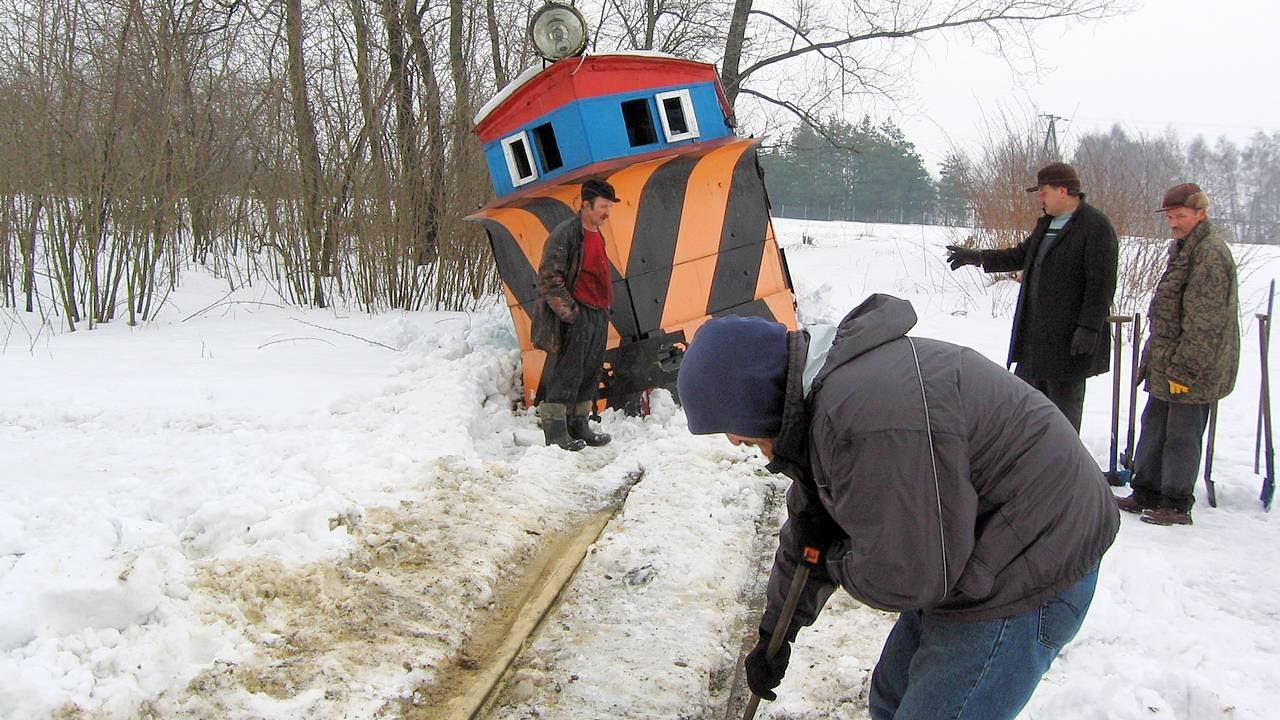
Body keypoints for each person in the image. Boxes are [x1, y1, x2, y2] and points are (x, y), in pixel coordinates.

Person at [677, 295, 1119, 719]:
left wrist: (832, 558)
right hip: (977, 538)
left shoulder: (864, 420)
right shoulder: (821, 401)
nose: (734, 440)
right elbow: (808, 530)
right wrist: (775, 635)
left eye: (730, 424)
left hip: (1033, 557)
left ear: (753, 396)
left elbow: (908, 574)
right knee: (890, 700)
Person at [945, 162, 1118, 431]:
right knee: (1025, 406)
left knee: (1062, 413)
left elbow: (1102, 284)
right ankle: (1027, 454)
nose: (1041, 199)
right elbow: (1021, 255)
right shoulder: (1047, 224)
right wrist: (977, 257)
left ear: (1063, 191)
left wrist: (1088, 328)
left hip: (1069, 341)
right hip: (1035, 339)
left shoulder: (1095, 226)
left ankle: (1062, 456)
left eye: (1044, 192)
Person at [1118, 183, 1239, 526]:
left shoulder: (1210, 253)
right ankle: (1146, 490)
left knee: (1181, 436)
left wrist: (1184, 370)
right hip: (1167, 361)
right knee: (1155, 426)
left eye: (1180, 216)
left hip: (1193, 367)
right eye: (1170, 217)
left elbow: (1205, 322)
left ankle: (1175, 501)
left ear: (1201, 213)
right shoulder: (1183, 248)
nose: (1173, 223)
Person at [530, 177, 618, 450]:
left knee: (589, 372)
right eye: (603, 206)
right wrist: (571, 314)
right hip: (576, 315)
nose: (607, 212)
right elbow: (549, 278)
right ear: (586, 205)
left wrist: (604, 310)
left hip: (597, 313)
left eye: (609, 207)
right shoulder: (566, 234)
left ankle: (579, 425)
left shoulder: (596, 233)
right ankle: (556, 432)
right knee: (566, 373)